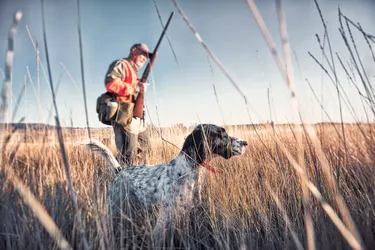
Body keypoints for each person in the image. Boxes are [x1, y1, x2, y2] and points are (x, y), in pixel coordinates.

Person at [104, 43, 152, 166]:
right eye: (142, 53)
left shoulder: (134, 72)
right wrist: (136, 88)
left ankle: (140, 179)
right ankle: (123, 183)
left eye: (146, 56)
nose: (144, 58)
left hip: (137, 119)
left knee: (145, 150)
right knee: (127, 157)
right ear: (133, 50)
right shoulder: (122, 65)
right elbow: (111, 83)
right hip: (124, 117)